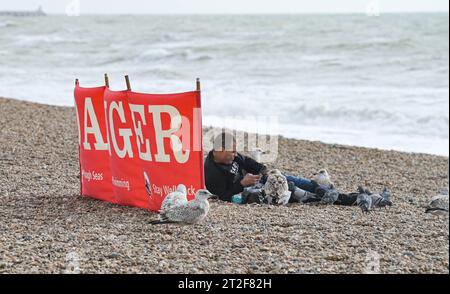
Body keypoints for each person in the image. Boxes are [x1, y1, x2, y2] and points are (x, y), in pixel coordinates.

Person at [204, 132, 354, 204]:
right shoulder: (212, 172)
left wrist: (263, 171)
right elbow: (223, 195)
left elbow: (252, 163)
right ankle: (332, 199)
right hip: (250, 192)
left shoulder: (233, 156)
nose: (235, 154)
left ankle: (337, 195)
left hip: (259, 181)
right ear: (221, 149)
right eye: (232, 151)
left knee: (292, 180)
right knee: (292, 191)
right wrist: (242, 184)